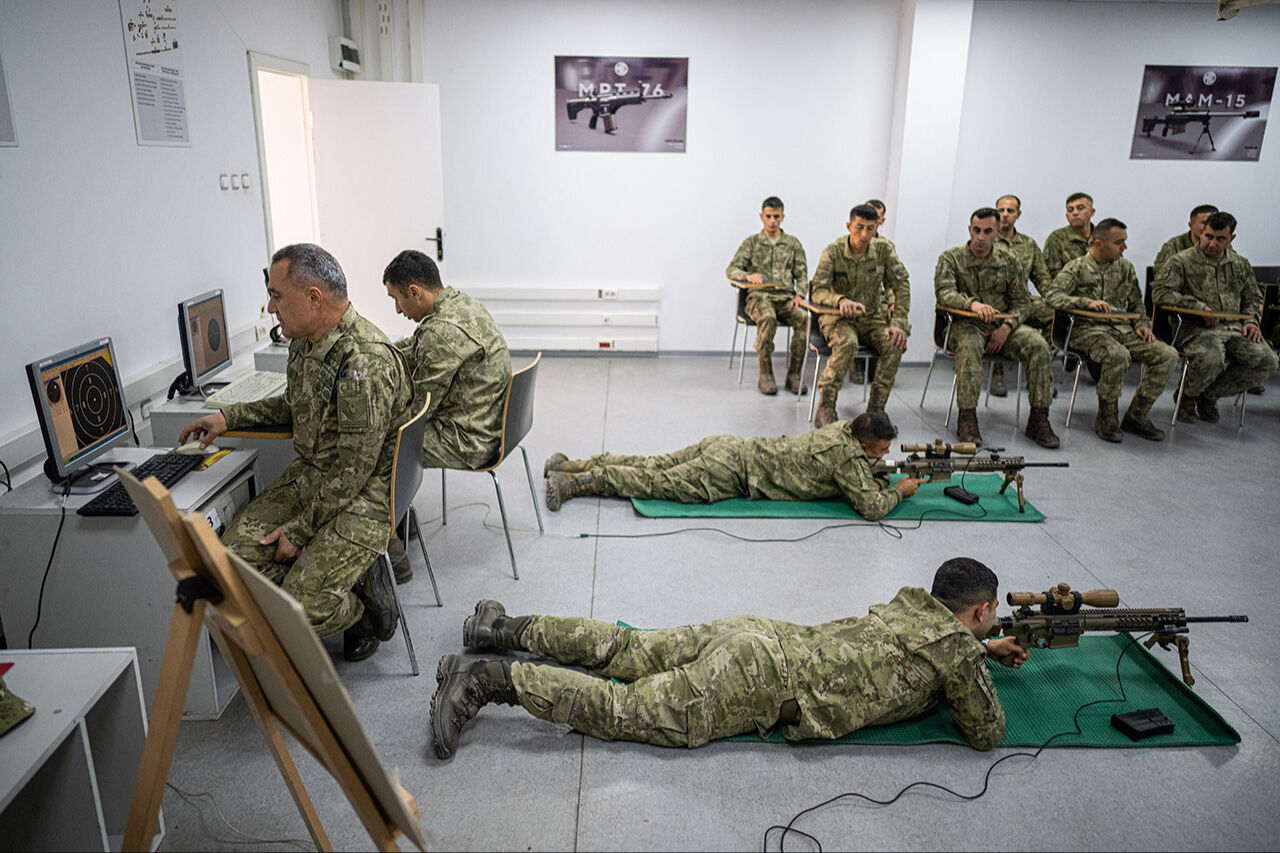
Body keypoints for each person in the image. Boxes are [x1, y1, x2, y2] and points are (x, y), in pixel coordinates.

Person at [427, 556, 1028, 759]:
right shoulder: (959, 655)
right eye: (991, 615)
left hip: (757, 631)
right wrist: (979, 656)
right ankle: (486, 681)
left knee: (627, 646)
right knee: (627, 709)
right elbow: (986, 733)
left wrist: (978, 643)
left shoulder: (913, 604)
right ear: (979, 613)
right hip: (761, 679)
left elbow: (932, 642)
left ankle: (498, 627)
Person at [179, 243, 413, 662]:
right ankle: (335, 572)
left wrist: (301, 531)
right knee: (230, 568)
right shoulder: (307, 342)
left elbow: (353, 470)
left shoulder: (364, 362)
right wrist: (228, 418)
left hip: (363, 497)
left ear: (313, 298)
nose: (270, 307)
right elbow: (293, 405)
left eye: (276, 295)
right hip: (314, 477)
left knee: (298, 613)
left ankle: (365, 609)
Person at [543, 411, 922, 520]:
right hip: (732, 472)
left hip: (729, 445)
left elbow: (854, 467)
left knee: (655, 463)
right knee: (656, 483)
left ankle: (574, 463)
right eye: (878, 450)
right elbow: (871, 508)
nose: (880, 456)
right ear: (862, 444)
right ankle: (578, 483)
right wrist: (897, 491)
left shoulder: (841, 429)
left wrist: (873, 469)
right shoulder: (850, 458)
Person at [934, 207, 1060, 449]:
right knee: (970, 345)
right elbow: (944, 293)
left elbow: (1022, 301)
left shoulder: (1008, 260)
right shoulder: (951, 258)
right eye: (977, 230)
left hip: (1002, 325)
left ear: (997, 232)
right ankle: (967, 418)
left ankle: (1039, 419)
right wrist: (972, 304)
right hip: (964, 325)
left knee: (1039, 346)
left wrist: (1007, 326)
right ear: (970, 230)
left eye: (988, 231)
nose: (981, 237)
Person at [1046, 218, 1178, 442]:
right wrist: (1085, 302)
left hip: (1122, 329)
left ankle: (1137, 415)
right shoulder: (1077, 267)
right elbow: (1052, 296)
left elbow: (1136, 303)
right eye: (1119, 242)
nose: (1124, 247)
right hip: (1088, 331)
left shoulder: (1125, 267)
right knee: (1117, 355)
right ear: (1098, 244)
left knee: (1168, 355)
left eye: (1124, 241)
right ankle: (1107, 417)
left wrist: (1142, 326)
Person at [1152, 211, 1278, 423]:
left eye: (1221, 239)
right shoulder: (1181, 261)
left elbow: (1252, 297)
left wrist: (1251, 321)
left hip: (1235, 328)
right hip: (1196, 328)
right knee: (1212, 357)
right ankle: (1187, 397)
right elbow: (1160, 293)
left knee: (1267, 361)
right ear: (1201, 232)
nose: (1212, 244)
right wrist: (1198, 308)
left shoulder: (1240, 264)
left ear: (1231, 239)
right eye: (1208, 236)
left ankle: (1208, 395)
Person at [809, 204, 911, 429]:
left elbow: (901, 285)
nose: (864, 235)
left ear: (877, 228)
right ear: (849, 226)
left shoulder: (884, 250)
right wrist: (840, 300)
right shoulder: (833, 251)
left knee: (894, 343)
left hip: (872, 316)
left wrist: (898, 323)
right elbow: (817, 290)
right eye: (859, 228)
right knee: (847, 342)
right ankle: (826, 406)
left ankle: (876, 410)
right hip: (838, 318)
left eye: (870, 229)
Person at [726, 196, 810, 395]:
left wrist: (800, 295)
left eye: (776, 216)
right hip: (759, 297)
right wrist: (747, 275)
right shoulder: (752, 243)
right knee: (768, 318)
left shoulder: (793, 244)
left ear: (783, 217)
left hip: (786, 298)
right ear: (761, 217)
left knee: (804, 319)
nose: (772, 220)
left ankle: (794, 375)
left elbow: (802, 273)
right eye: (768, 216)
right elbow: (731, 269)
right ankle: (766, 374)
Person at [991, 194, 1055, 398]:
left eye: (1010, 211)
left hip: (1023, 302)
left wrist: (1053, 299)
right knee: (995, 317)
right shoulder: (987, 239)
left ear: (1018, 214)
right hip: (997, 302)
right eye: (1000, 210)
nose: (1005, 215)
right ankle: (997, 372)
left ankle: (1039, 373)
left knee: (1055, 316)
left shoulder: (1028, 244)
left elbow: (1042, 277)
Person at [1153, 204, 1217, 275]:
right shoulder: (1173, 246)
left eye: (1214, 223)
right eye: (1204, 223)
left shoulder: (1222, 245)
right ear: (1191, 225)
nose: (1210, 227)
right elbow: (1161, 277)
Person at [1042, 192, 1095, 279]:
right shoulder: (1056, 239)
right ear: (1067, 216)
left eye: (1080, 208)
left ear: (1092, 212)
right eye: (1070, 210)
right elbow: (1051, 277)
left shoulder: (1104, 237)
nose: (1075, 213)